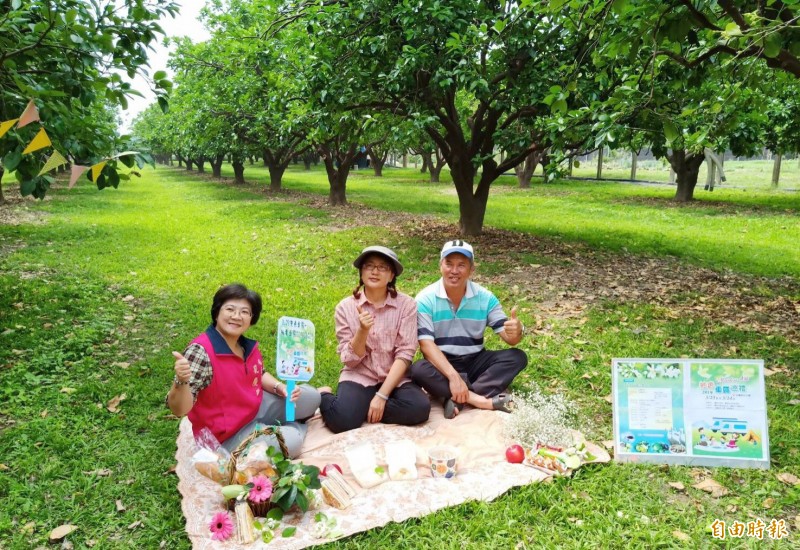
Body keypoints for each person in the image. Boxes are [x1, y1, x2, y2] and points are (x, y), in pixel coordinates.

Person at [166, 283, 320, 457]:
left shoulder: (244, 345)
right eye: (230, 309)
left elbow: (258, 373)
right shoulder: (201, 352)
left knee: (312, 398)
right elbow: (179, 409)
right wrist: (181, 380)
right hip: (227, 434)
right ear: (217, 312)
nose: (236, 316)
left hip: (255, 407)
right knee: (292, 442)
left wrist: (280, 387)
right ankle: (295, 428)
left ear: (251, 319)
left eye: (244, 312)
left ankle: (276, 427)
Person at [411, 240, 528, 418]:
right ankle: (481, 400)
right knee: (419, 369)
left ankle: (455, 397)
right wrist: (453, 376)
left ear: (471, 269)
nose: (454, 270)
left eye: (461, 265)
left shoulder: (485, 297)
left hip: (475, 360)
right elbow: (426, 345)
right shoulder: (425, 299)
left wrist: (517, 330)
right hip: (442, 363)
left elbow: (510, 338)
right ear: (440, 266)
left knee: (517, 357)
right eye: (448, 263)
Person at [319, 246, 430, 433]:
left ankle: (363, 409)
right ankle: (323, 394)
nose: (375, 271)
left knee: (419, 408)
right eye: (369, 266)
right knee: (341, 421)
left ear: (392, 275)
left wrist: (382, 396)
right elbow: (349, 360)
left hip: (394, 377)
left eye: (383, 267)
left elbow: (405, 353)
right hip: (360, 374)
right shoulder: (345, 308)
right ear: (361, 272)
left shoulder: (407, 305)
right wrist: (362, 331)